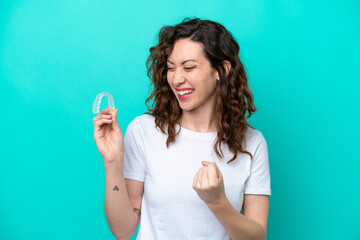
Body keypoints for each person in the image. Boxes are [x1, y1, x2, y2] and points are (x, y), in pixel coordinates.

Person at [93, 17, 271, 240]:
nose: (177, 79)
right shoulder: (143, 131)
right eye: (170, 68)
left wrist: (217, 202)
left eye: (189, 67)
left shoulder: (253, 143)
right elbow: (123, 230)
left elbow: (257, 236)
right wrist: (112, 162)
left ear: (222, 70)